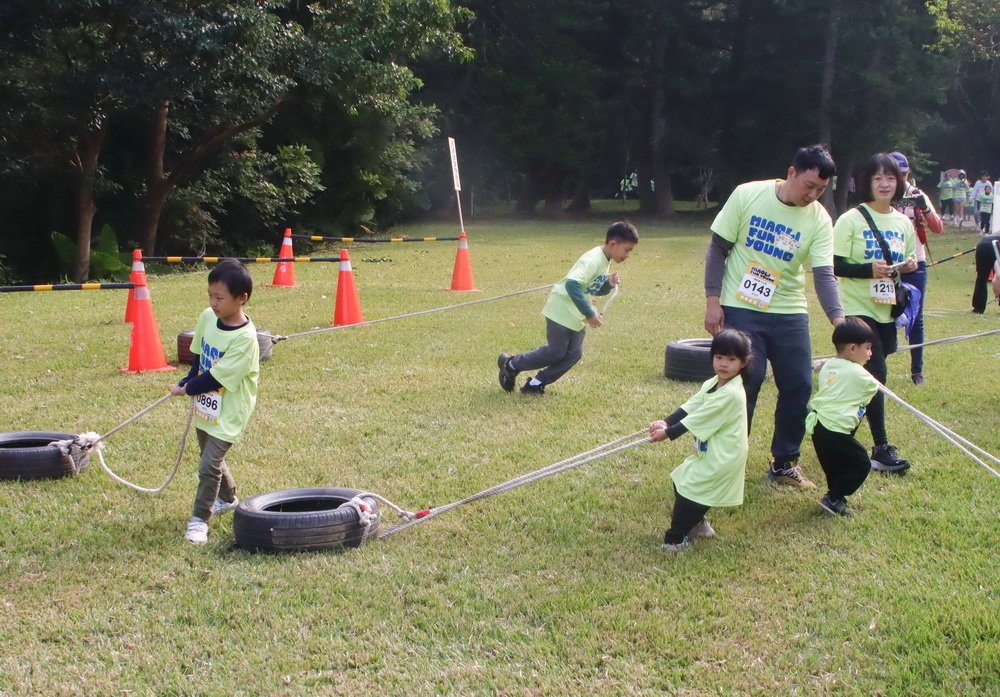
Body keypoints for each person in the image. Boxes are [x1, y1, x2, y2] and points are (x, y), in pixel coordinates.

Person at [703, 144, 845, 489]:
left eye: (821, 190)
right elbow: (718, 249)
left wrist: (839, 321)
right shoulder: (748, 195)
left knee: (799, 384)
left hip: (789, 310)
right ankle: (726, 460)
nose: (812, 195)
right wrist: (712, 301)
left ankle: (784, 462)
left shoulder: (820, 219)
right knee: (746, 383)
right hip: (742, 305)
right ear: (791, 172)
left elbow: (824, 273)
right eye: (808, 185)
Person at [832, 153, 918, 474]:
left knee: (861, 379)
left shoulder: (903, 222)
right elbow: (835, 264)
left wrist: (907, 267)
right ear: (867, 181)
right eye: (878, 177)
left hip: (887, 313)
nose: (884, 184)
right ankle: (881, 447)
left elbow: (905, 265)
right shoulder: (851, 219)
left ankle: (835, 432)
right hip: (856, 312)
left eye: (891, 178)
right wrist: (868, 269)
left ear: (899, 183)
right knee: (876, 374)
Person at [171, 259, 260, 544]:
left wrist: (189, 388)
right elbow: (198, 352)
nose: (213, 303)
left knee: (208, 465)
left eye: (219, 298)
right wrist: (189, 378)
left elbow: (218, 377)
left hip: (230, 409)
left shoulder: (245, 339)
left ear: (241, 298)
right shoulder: (208, 317)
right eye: (210, 295)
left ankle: (200, 519)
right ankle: (229, 498)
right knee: (210, 456)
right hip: (205, 403)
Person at [498, 221, 638, 395]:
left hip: (575, 315)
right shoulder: (593, 259)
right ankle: (511, 364)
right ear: (613, 244)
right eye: (627, 250)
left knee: (573, 354)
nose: (628, 255)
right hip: (561, 311)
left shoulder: (604, 260)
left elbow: (591, 288)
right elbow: (573, 285)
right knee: (556, 352)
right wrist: (589, 312)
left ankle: (535, 383)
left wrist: (608, 283)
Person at [649, 328, 751, 552]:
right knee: (682, 479)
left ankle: (675, 540)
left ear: (743, 363)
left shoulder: (731, 393)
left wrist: (668, 433)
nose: (723, 364)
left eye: (731, 359)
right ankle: (697, 523)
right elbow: (693, 405)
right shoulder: (714, 383)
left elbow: (699, 417)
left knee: (691, 492)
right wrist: (666, 421)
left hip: (724, 455)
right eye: (719, 357)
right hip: (713, 451)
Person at [807, 319, 881, 517]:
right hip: (836, 430)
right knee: (861, 464)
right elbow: (872, 387)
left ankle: (836, 498)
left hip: (819, 427)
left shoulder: (829, 366)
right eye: (868, 348)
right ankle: (833, 498)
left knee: (835, 466)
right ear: (853, 348)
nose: (870, 353)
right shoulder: (858, 372)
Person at [889, 151, 943, 386]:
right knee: (882, 314)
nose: (899, 179)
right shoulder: (881, 195)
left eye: (903, 174)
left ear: (907, 172)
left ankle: (917, 371)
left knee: (916, 317)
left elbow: (938, 228)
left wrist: (925, 208)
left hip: (916, 262)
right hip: (887, 263)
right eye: (894, 174)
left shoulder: (916, 194)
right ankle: (874, 364)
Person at [972, 233, 1000, 313]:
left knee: (981, 278)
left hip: (982, 244)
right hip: (995, 244)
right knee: (998, 276)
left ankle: (978, 308)